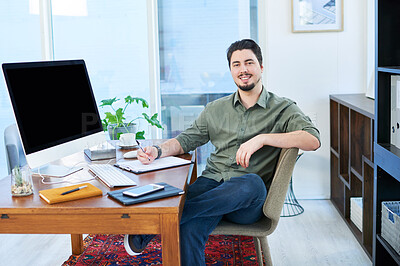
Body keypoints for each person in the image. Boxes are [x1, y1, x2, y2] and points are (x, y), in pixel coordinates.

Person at [124, 39, 320, 265]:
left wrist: (262, 139)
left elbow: (312, 139)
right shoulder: (216, 108)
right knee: (188, 227)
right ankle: (176, 217)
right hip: (211, 186)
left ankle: (151, 228)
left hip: (246, 200)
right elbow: (186, 140)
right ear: (231, 70)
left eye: (249, 63)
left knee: (252, 183)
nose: (243, 69)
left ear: (261, 67)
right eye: (236, 65)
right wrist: (157, 151)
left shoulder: (282, 108)